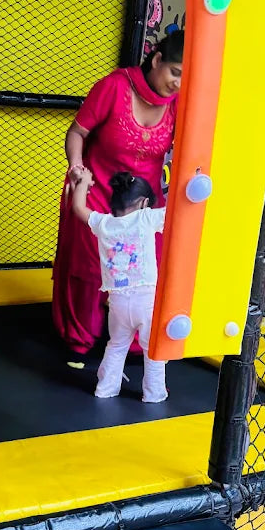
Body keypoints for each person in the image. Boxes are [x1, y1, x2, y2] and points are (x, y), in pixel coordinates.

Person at [53, 31, 183, 368]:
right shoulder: (113, 86)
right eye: (174, 72)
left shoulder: (180, 104)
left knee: (143, 273)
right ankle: (79, 340)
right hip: (97, 192)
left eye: (186, 77)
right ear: (156, 60)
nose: (177, 84)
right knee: (92, 269)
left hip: (144, 206)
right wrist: (77, 169)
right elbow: (77, 132)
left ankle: (138, 341)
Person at [70, 169, 167, 402]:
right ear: (144, 202)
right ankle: (154, 394)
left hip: (118, 300)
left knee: (116, 345)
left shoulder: (104, 223)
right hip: (146, 300)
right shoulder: (146, 218)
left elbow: (79, 209)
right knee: (152, 350)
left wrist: (82, 183)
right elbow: (179, 210)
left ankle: (105, 389)